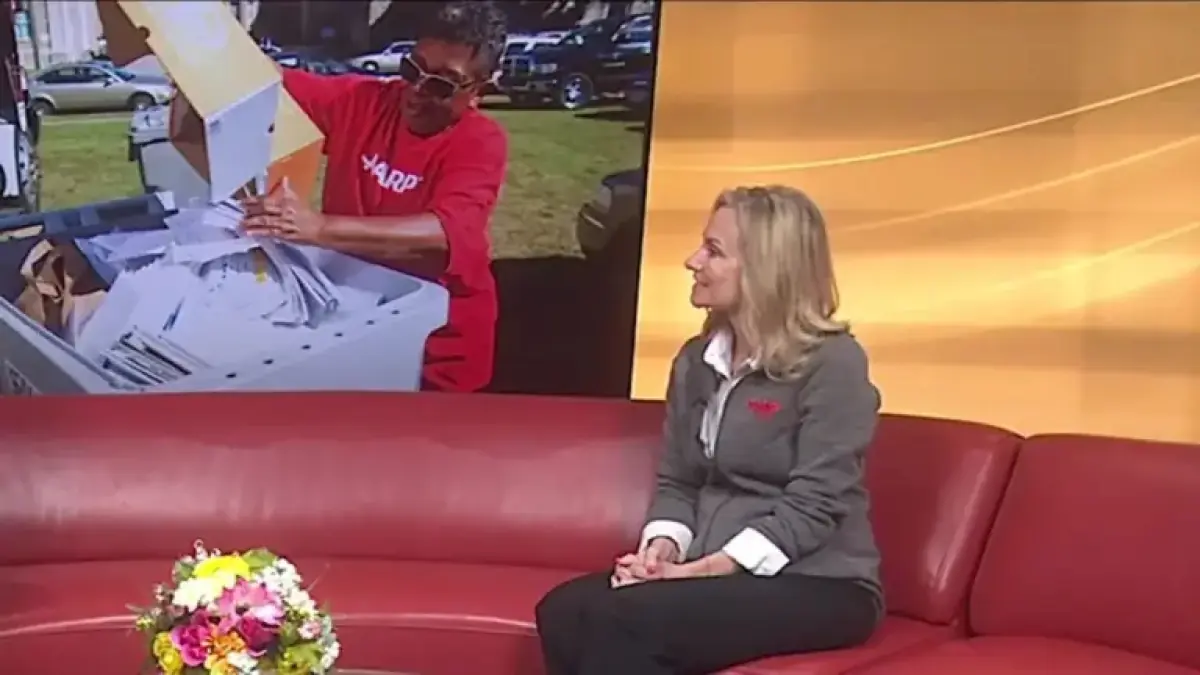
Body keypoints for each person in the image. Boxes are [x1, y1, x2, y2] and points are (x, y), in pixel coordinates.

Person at [535, 185, 884, 675]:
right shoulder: (696, 361)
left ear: (765, 268)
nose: (692, 261)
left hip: (820, 581)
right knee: (565, 611)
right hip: (714, 573)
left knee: (626, 620)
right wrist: (661, 552)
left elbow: (817, 503)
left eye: (713, 251)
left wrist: (705, 570)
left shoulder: (833, 363)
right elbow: (680, 480)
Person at [239, 2, 509, 393]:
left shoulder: (481, 141)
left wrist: (320, 228)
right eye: (412, 69)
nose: (416, 92)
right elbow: (266, 79)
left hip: (436, 345)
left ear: (479, 89)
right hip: (359, 321)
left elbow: (445, 234)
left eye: (441, 84)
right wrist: (189, 46)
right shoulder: (365, 101)